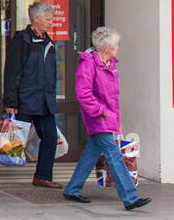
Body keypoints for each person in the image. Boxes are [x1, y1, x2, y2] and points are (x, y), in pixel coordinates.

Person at [63, 27, 151, 210]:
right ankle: (130, 197)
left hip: (106, 116)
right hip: (97, 117)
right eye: (115, 44)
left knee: (91, 153)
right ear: (105, 47)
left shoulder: (110, 64)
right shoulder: (88, 64)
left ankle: (72, 189)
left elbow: (112, 96)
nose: (118, 47)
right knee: (114, 154)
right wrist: (101, 112)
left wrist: (114, 120)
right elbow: (83, 93)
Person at [0, 1, 60, 186]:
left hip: (44, 100)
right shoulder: (22, 40)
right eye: (48, 19)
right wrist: (11, 101)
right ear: (36, 18)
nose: (51, 23)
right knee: (13, 137)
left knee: (50, 137)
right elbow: (12, 72)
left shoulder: (48, 41)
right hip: (25, 99)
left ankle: (43, 176)